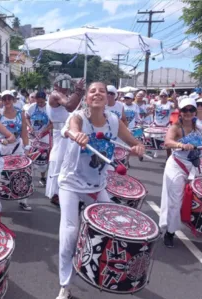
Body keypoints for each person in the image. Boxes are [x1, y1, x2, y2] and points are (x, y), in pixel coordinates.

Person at [56, 82, 145, 299]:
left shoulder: (113, 121)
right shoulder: (78, 117)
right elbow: (72, 128)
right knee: (69, 233)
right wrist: (77, 135)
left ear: (107, 98)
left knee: (116, 227)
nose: (97, 94)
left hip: (97, 185)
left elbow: (132, 142)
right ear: (86, 98)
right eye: (92, 91)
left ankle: (101, 269)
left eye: (102, 91)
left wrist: (138, 147)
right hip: (71, 184)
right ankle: (65, 285)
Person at [159, 97, 202, 248]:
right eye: (185, 110)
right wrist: (181, 145)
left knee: (197, 198)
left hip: (193, 166)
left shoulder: (199, 128)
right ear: (181, 112)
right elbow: (167, 142)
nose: (188, 112)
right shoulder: (176, 127)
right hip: (176, 166)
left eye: (191, 109)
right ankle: (170, 232)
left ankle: (194, 224)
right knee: (175, 201)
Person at [45, 78, 84, 206]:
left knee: (69, 162)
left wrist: (80, 92)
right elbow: (70, 106)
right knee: (60, 162)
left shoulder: (64, 96)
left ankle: (66, 191)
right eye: (64, 83)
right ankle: (56, 193)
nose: (67, 87)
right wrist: (78, 90)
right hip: (61, 134)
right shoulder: (55, 94)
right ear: (56, 85)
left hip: (69, 132)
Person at [0, 90, 32, 211]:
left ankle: (23, 199)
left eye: (9, 98)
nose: (7, 101)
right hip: (2, 146)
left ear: (13, 99)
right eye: (4, 99)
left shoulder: (20, 113)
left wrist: (27, 147)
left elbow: (24, 132)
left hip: (16, 146)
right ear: (1, 100)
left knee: (21, 173)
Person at [26, 91, 53, 186]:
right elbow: (27, 118)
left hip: (44, 136)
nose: (40, 104)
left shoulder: (49, 108)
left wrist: (44, 131)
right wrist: (30, 127)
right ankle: (29, 177)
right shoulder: (32, 107)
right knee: (30, 155)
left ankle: (43, 177)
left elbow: (52, 123)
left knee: (43, 157)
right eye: (38, 102)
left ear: (45, 100)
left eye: (42, 102)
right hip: (33, 135)